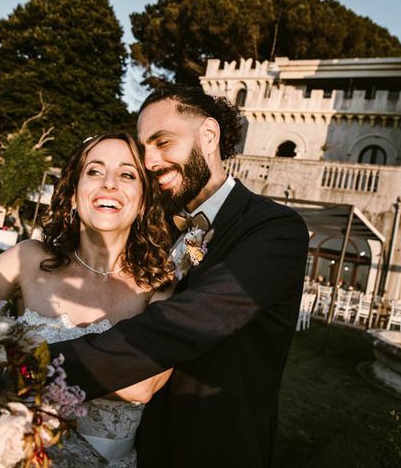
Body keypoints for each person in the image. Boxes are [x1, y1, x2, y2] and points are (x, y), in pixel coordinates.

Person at [48, 86, 310, 467]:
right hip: (135, 449)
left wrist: (40, 363)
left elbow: (185, 323)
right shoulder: (157, 230)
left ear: (208, 136)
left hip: (214, 450)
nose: (149, 161)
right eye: (144, 150)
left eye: (163, 142)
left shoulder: (276, 230)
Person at [0, 132, 175, 467]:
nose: (109, 183)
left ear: (144, 202)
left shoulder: (158, 286)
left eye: (127, 174)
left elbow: (141, 385)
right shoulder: (28, 258)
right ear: (74, 195)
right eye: (94, 171)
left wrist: (8, 359)